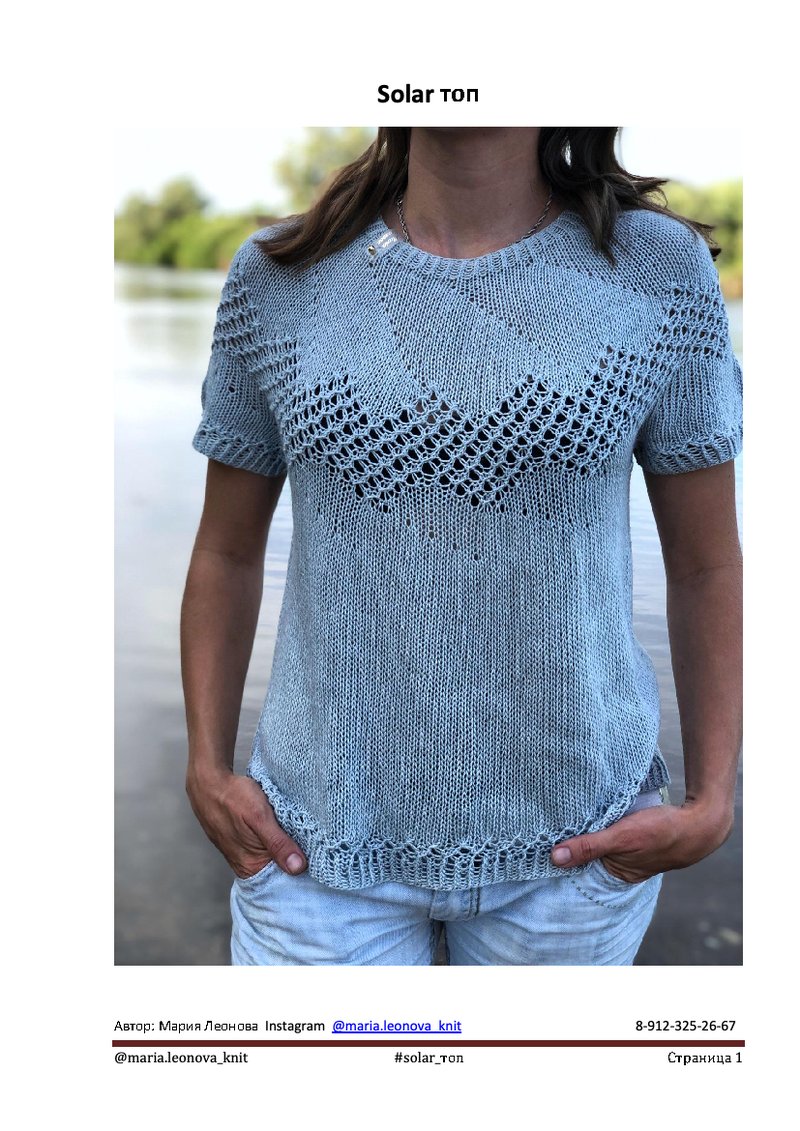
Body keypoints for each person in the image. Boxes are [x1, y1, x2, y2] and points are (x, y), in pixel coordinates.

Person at [180, 127, 743, 966]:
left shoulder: (656, 270)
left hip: (577, 854)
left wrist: (713, 795)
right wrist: (205, 766)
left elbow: (706, 562)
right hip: (314, 849)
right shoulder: (279, 274)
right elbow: (225, 552)